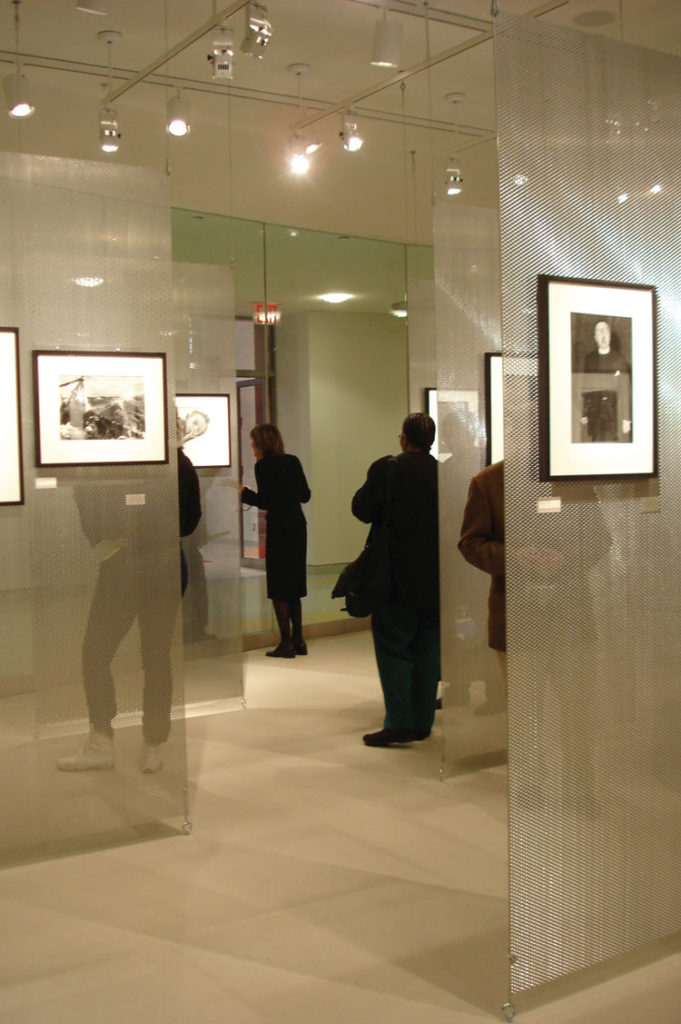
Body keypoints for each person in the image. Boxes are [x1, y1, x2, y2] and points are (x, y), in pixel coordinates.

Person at [57, 439, 201, 774]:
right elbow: (187, 519)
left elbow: (86, 499)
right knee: (152, 656)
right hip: (159, 562)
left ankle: (106, 741)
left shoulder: (122, 459)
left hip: (134, 564)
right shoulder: (176, 462)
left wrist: (115, 533)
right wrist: (140, 531)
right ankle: (148, 744)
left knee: (102, 652)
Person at [352, 412, 440, 747]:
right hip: (434, 576)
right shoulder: (444, 474)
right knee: (428, 650)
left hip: (394, 575)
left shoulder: (387, 468)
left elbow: (361, 510)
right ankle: (422, 721)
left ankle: (400, 721)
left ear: (404, 438)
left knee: (394, 648)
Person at [240, 424, 311, 658]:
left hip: (279, 530)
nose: (252, 448)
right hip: (298, 528)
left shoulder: (263, 466)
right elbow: (305, 495)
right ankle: (299, 640)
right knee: (295, 586)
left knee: (280, 587)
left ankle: (285, 643)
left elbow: (266, 501)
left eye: (253, 443)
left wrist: (243, 492)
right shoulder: (293, 461)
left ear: (261, 444)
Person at [457, 460, 506, 677]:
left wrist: (565, 557)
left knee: (579, 701)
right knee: (522, 705)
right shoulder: (488, 481)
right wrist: (515, 558)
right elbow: (470, 543)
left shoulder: (564, 474)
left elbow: (599, 538)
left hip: (571, 616)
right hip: (511, 608)